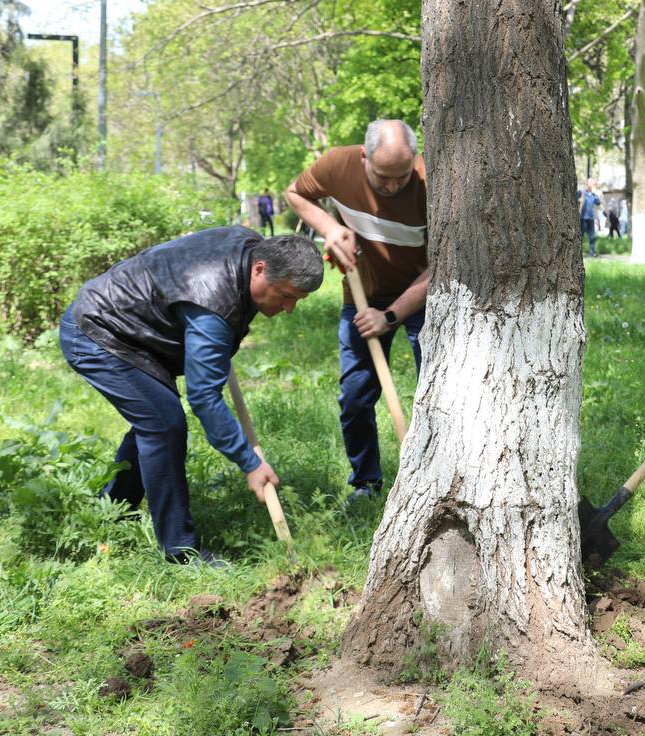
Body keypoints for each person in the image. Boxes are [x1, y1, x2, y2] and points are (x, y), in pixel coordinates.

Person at [59, 229, 323, 564]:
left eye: (297, 300)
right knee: (164, 425)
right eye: (286, 295)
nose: (289, 308)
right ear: (259, 269)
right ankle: (180, 551)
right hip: (99, 332)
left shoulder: (252, 246)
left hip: (138, 330)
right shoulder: (214, 304)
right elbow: (204, 398)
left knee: (155, 417)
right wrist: (250, 463)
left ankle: (112, 511)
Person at [285, 119, 429, 504]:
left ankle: (435, 480)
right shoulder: (337, 165)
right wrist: (330, 229)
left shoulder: (432, 182)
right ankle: (365, 483)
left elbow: (444, 266)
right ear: (364, 156)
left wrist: (392, 316)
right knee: (354, 397)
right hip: (362, 294)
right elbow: (296, 194)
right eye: (384, 176)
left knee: (435, 392)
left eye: (402, 175)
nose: (394, 185)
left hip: (423, 299)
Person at [578, 178, 602, 256]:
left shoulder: (594, 195)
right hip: (583, 218)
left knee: (592, 236)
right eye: (590, 183)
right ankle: (578, 252)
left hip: (591, 218)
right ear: (587, 184)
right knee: (581, 235)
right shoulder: (582, 193)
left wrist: (595, 193)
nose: (592, 185)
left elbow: (598, 202)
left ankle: (592, 252)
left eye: (593, 183)